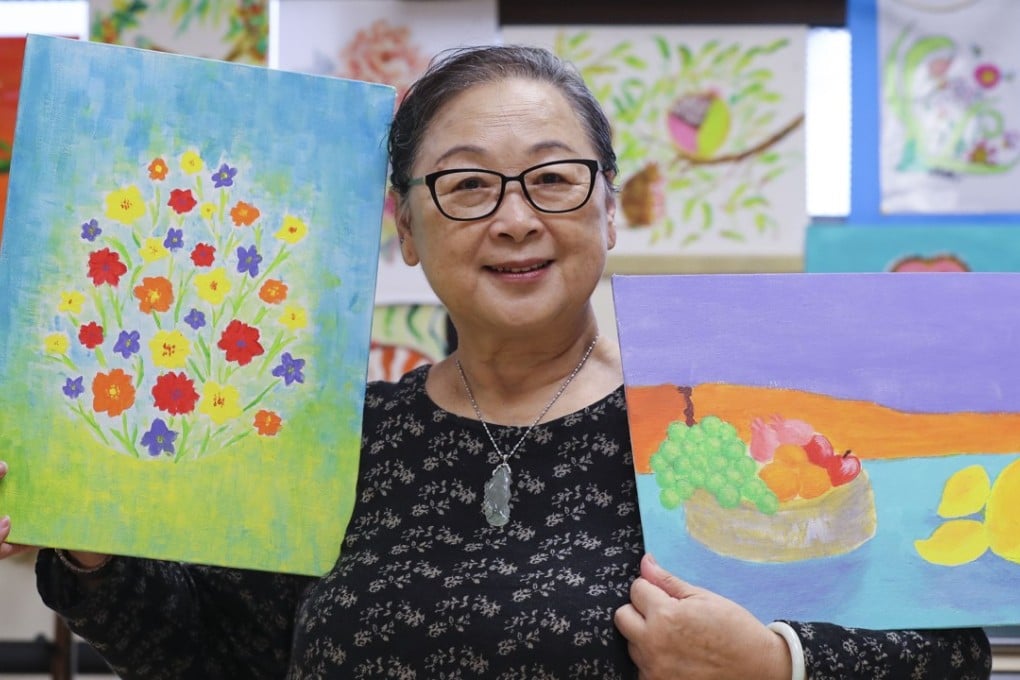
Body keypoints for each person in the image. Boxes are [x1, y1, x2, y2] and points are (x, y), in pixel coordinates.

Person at [0, 45, 992, 680]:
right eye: (467, 184)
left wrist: (778, 660)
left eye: (554, 179)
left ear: (608, 209)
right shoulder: (338, 435)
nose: (515, 217)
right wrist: (89, 536)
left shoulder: (710, 430)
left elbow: (947, 651)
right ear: (404, 229)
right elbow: (214, 651)